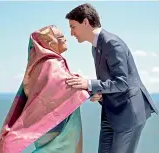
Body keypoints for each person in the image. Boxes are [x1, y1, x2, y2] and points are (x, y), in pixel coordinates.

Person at [65, 3, 158, 153]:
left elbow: (122, 83)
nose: (71, 33)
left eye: (73, 26)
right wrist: (99, 94)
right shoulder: (95, 47)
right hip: (111, 112)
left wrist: (88, 83)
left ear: (85, 22)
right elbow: (111, 82)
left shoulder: (112, 43)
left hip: (128, 114)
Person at [0, 25, 89, 153]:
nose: (65, 39)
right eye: (61, 37)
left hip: (47, 127)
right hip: (57, 128)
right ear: (51, 43)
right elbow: (63, 86)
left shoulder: (39, 65)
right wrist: (88, 86)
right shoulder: (51, 63)